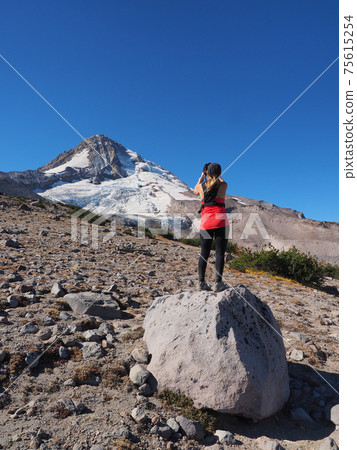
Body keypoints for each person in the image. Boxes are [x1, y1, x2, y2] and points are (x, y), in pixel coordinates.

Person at [194, 162, 229, 292]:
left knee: (204, 253)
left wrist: (202, 177)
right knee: (220, 253)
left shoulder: (200, 186)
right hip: (221, 221)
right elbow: (222, 181)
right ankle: (218, 283)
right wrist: (217, 175)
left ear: (207, 172)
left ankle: (201, 283)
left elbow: (195, 191)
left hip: (206, 222)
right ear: (219, 173)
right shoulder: (223, 185)